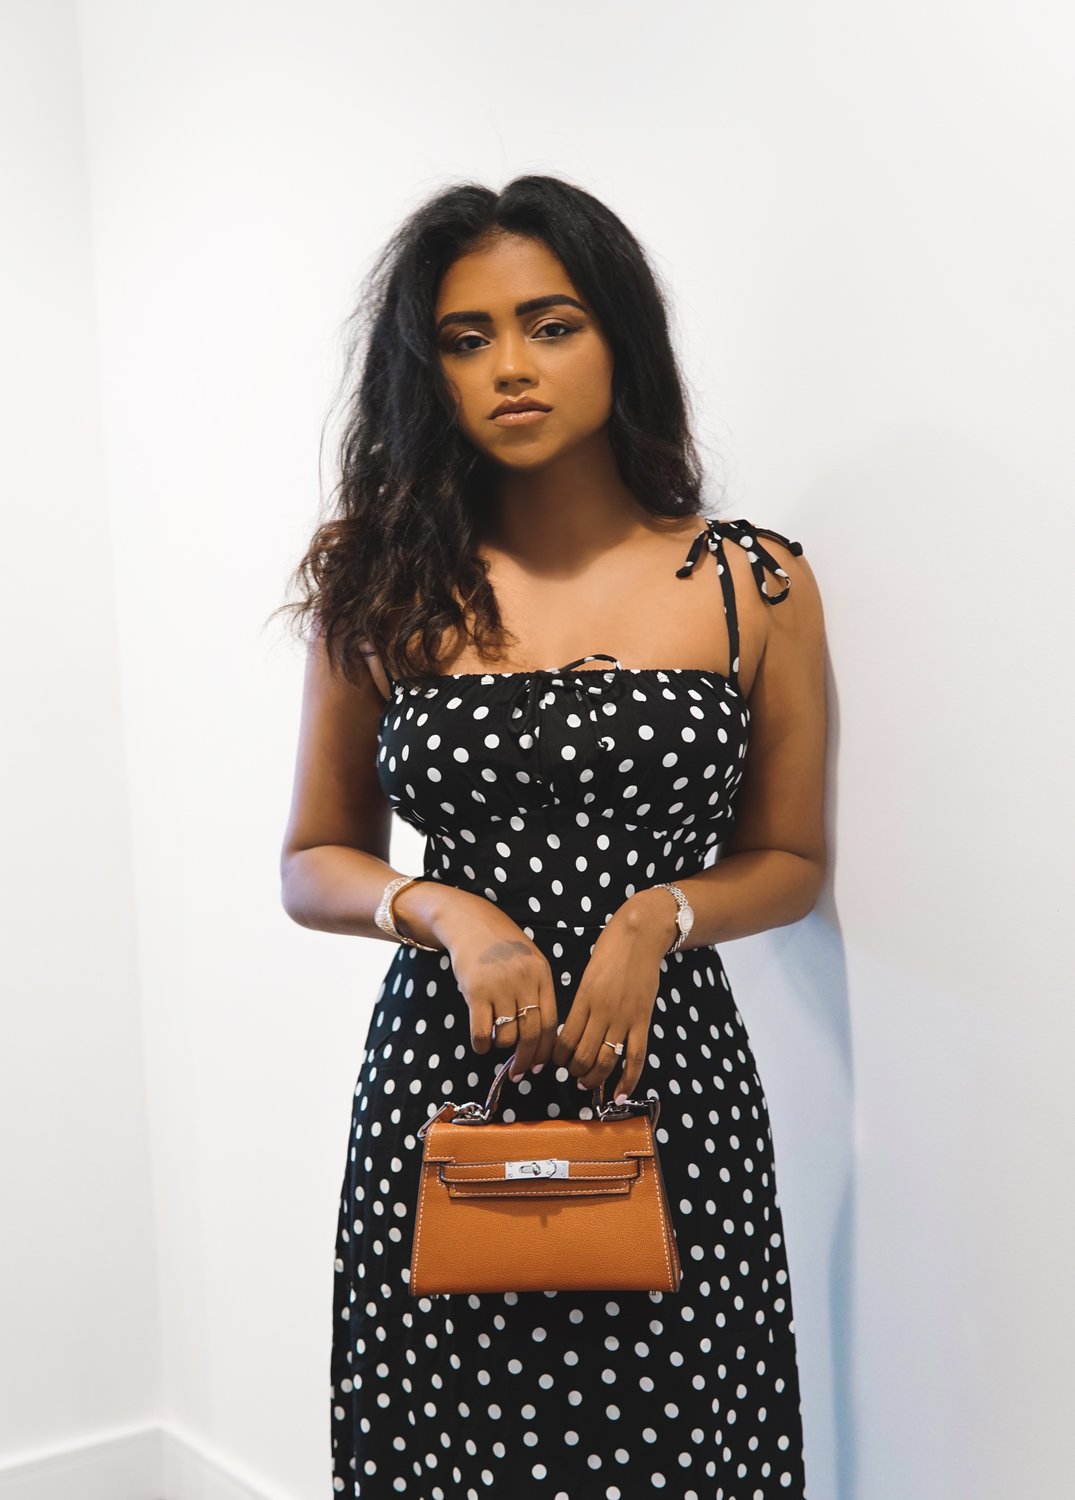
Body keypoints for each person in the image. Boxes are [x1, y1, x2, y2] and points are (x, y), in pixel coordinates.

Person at [278, 173, 826, 1499]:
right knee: (454, 1436)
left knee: (677, 1430)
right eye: (465, 340)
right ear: (429, 376)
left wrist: (658, 917)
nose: (509, 367)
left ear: (619, 340)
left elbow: (792, 861)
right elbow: (314, 857)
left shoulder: (753, 583)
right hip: (446, 1072)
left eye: (551, 323)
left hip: (671, 1077)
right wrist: (448, 914)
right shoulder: (385, 579)